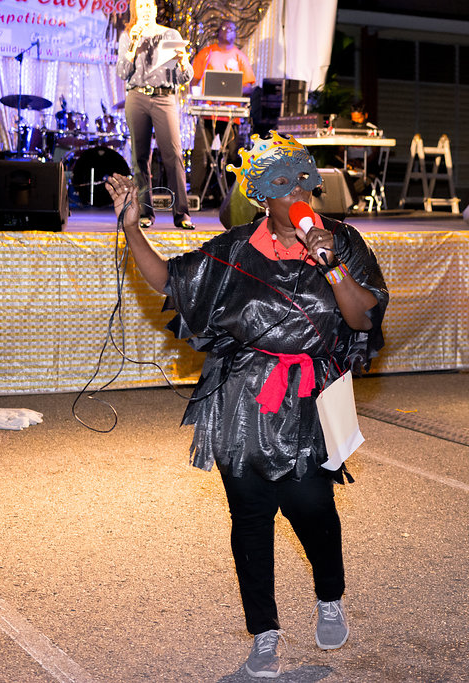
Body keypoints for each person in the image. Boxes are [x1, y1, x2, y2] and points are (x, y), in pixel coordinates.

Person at [104, 131, 388, 678]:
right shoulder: (235, 250)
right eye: (285, 183)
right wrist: (132, 226)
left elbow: (362, 318)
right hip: (242, 399)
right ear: (260, 194)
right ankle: (264, 633)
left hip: (310, 398)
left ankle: (329, 596)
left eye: (306, 179)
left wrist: (330, 265)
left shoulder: (343, 241)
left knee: (311, 506)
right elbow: (169, 280)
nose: (301, 191)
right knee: (251, 518)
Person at [116, 0, 193, 229]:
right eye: (141, 6)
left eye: (150, 5)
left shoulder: (170, 35)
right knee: (140, 158)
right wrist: (132, 46)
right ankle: (145, 213)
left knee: (173, 155)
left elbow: (184, 77)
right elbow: (122, 72)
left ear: (156, 9)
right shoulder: (127, 36)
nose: (146, 10)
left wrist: (183, 61)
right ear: (135, 11)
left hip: (164, 98)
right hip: (137, 97)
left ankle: (182, 214)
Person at [189, 19, 257, 205]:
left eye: (232, 29)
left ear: (236, 33)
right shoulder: (207, 53)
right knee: (200, 153)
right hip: (207, 114)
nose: (228, 31)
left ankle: (230, 198)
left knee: (232, 154)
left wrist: (232, 92)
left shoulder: (239, 57)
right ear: (218, 31)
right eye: (224, 28)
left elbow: (249, 87)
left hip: (230, 116)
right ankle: (195, 195)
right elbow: (194, 81)